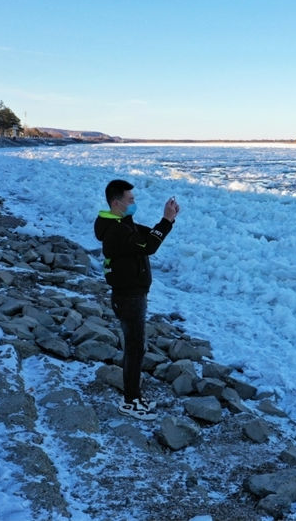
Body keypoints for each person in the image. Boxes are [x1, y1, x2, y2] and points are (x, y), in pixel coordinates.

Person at [94, 179, 180, 420]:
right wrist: (166, 220)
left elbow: (148, 236)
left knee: (136, 347)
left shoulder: (123, 222)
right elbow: (148, 246)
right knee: (134, 349)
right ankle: (130, 402)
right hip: (129, 297)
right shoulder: (116, 230)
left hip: (132, 294)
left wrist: (168, 221)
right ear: (116, 203)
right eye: (130, 199)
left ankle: (134, 397)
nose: (134, 203)